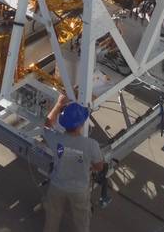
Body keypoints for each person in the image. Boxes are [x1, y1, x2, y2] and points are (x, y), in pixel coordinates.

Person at [41, 95, 104, 232]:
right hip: (79, 189)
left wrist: (58, 104)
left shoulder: (56, 140)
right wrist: (88, 167)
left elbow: (47, 125)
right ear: (81, 124)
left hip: (57, 185)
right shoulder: (91, 145)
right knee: (81, 220)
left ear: (63, 123)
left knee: (52, 215)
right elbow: (99, 167)